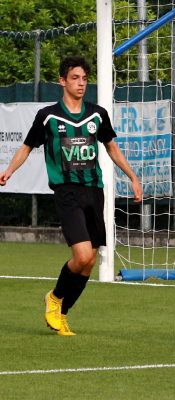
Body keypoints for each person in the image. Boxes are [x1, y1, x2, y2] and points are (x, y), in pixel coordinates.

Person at [0, 56, 142, 336]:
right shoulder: (48, 116)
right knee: (80, 255)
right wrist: (8, 171)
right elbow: (27, 147)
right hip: (66, 191)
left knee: (90, 260)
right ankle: (53, 298)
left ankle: (61, 313)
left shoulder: (97, 114)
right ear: (62, 81)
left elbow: (111, 147)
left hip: (94, 191)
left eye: (85, 79)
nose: (81, 84)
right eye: (75, 78)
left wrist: (132, 176)